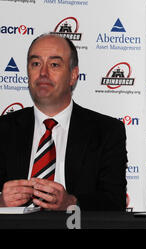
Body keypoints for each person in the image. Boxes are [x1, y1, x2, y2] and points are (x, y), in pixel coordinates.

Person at [0, 33, 128, 211]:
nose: (43, 73)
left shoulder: (106, 131)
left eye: (54, 65)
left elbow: (115, 201)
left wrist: (71, 203)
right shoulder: (3, 129)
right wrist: (1, 202)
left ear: (73, 75)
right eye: (36, 64)